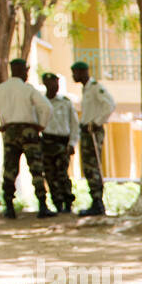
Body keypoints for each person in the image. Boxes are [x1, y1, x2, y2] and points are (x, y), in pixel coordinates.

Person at [0, 58, 54, 219]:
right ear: (21, 71)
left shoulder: (0, 89)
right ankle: (42, 205)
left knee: (10, 169)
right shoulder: (27, 89)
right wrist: (41, 125)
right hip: (29, 130)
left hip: (10, 131)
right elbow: (47, 107)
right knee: (36, 168)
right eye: (26, 70)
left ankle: (9, 207)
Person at [71, 61, 114, 216]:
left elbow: (110, 105)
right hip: (86, 130)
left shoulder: (95, 87)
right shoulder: (86, 89)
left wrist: (96, 122)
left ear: (83, 72)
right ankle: (95, 201)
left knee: (93, 165)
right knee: (88, 167)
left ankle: (98, 202)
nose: (73, 76)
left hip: (93, 131)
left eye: (75, 73)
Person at [39, 73, 79, 213]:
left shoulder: (65, 102)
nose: (54, 86)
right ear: (45, 84)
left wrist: (72, 143)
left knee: (62, 174)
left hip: (62, 142)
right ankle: (57, 203)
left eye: (56, 83)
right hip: (47, 141)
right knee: (50, 175)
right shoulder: (40, 102)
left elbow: (74, 125)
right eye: (51, 83)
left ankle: (68, 203)